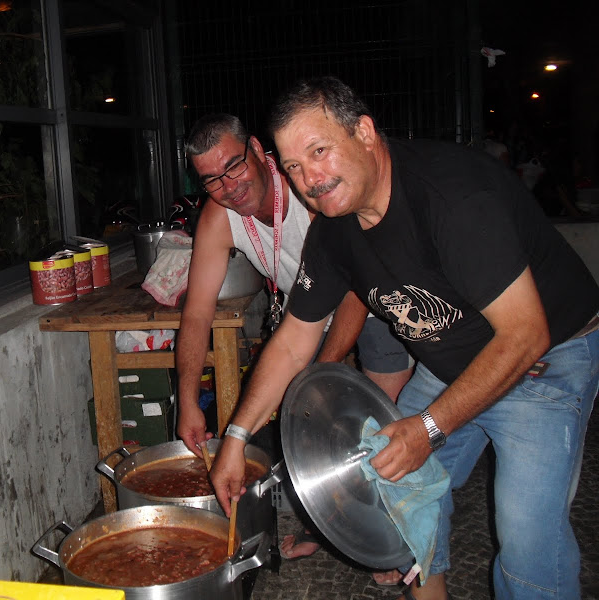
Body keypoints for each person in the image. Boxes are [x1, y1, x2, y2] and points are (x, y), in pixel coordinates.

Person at [209, 76, 599, 600]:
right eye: (294, 167)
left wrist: (429, 426)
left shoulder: (454, 197)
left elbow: (525, 335)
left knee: (527, 539)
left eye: (320, 151)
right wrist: (236, 438)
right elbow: (291, 343)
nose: (310, 180)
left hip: (545, 359)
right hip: (449, 364)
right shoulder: (334, 227)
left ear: (365, 133)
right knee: (393, 490)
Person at [175, 113, 414, 584]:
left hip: (372, 303)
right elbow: (197, 313)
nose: (229, 186)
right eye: (212, 180)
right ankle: (327, 526)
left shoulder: (307, 189)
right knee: (305, 428)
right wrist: (186, 401)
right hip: (303, 316)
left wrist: (314, 380)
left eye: (235, 166)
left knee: (377, 428)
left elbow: (353, 289)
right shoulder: (218, 217)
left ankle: (400, 545)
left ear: (258, 150)